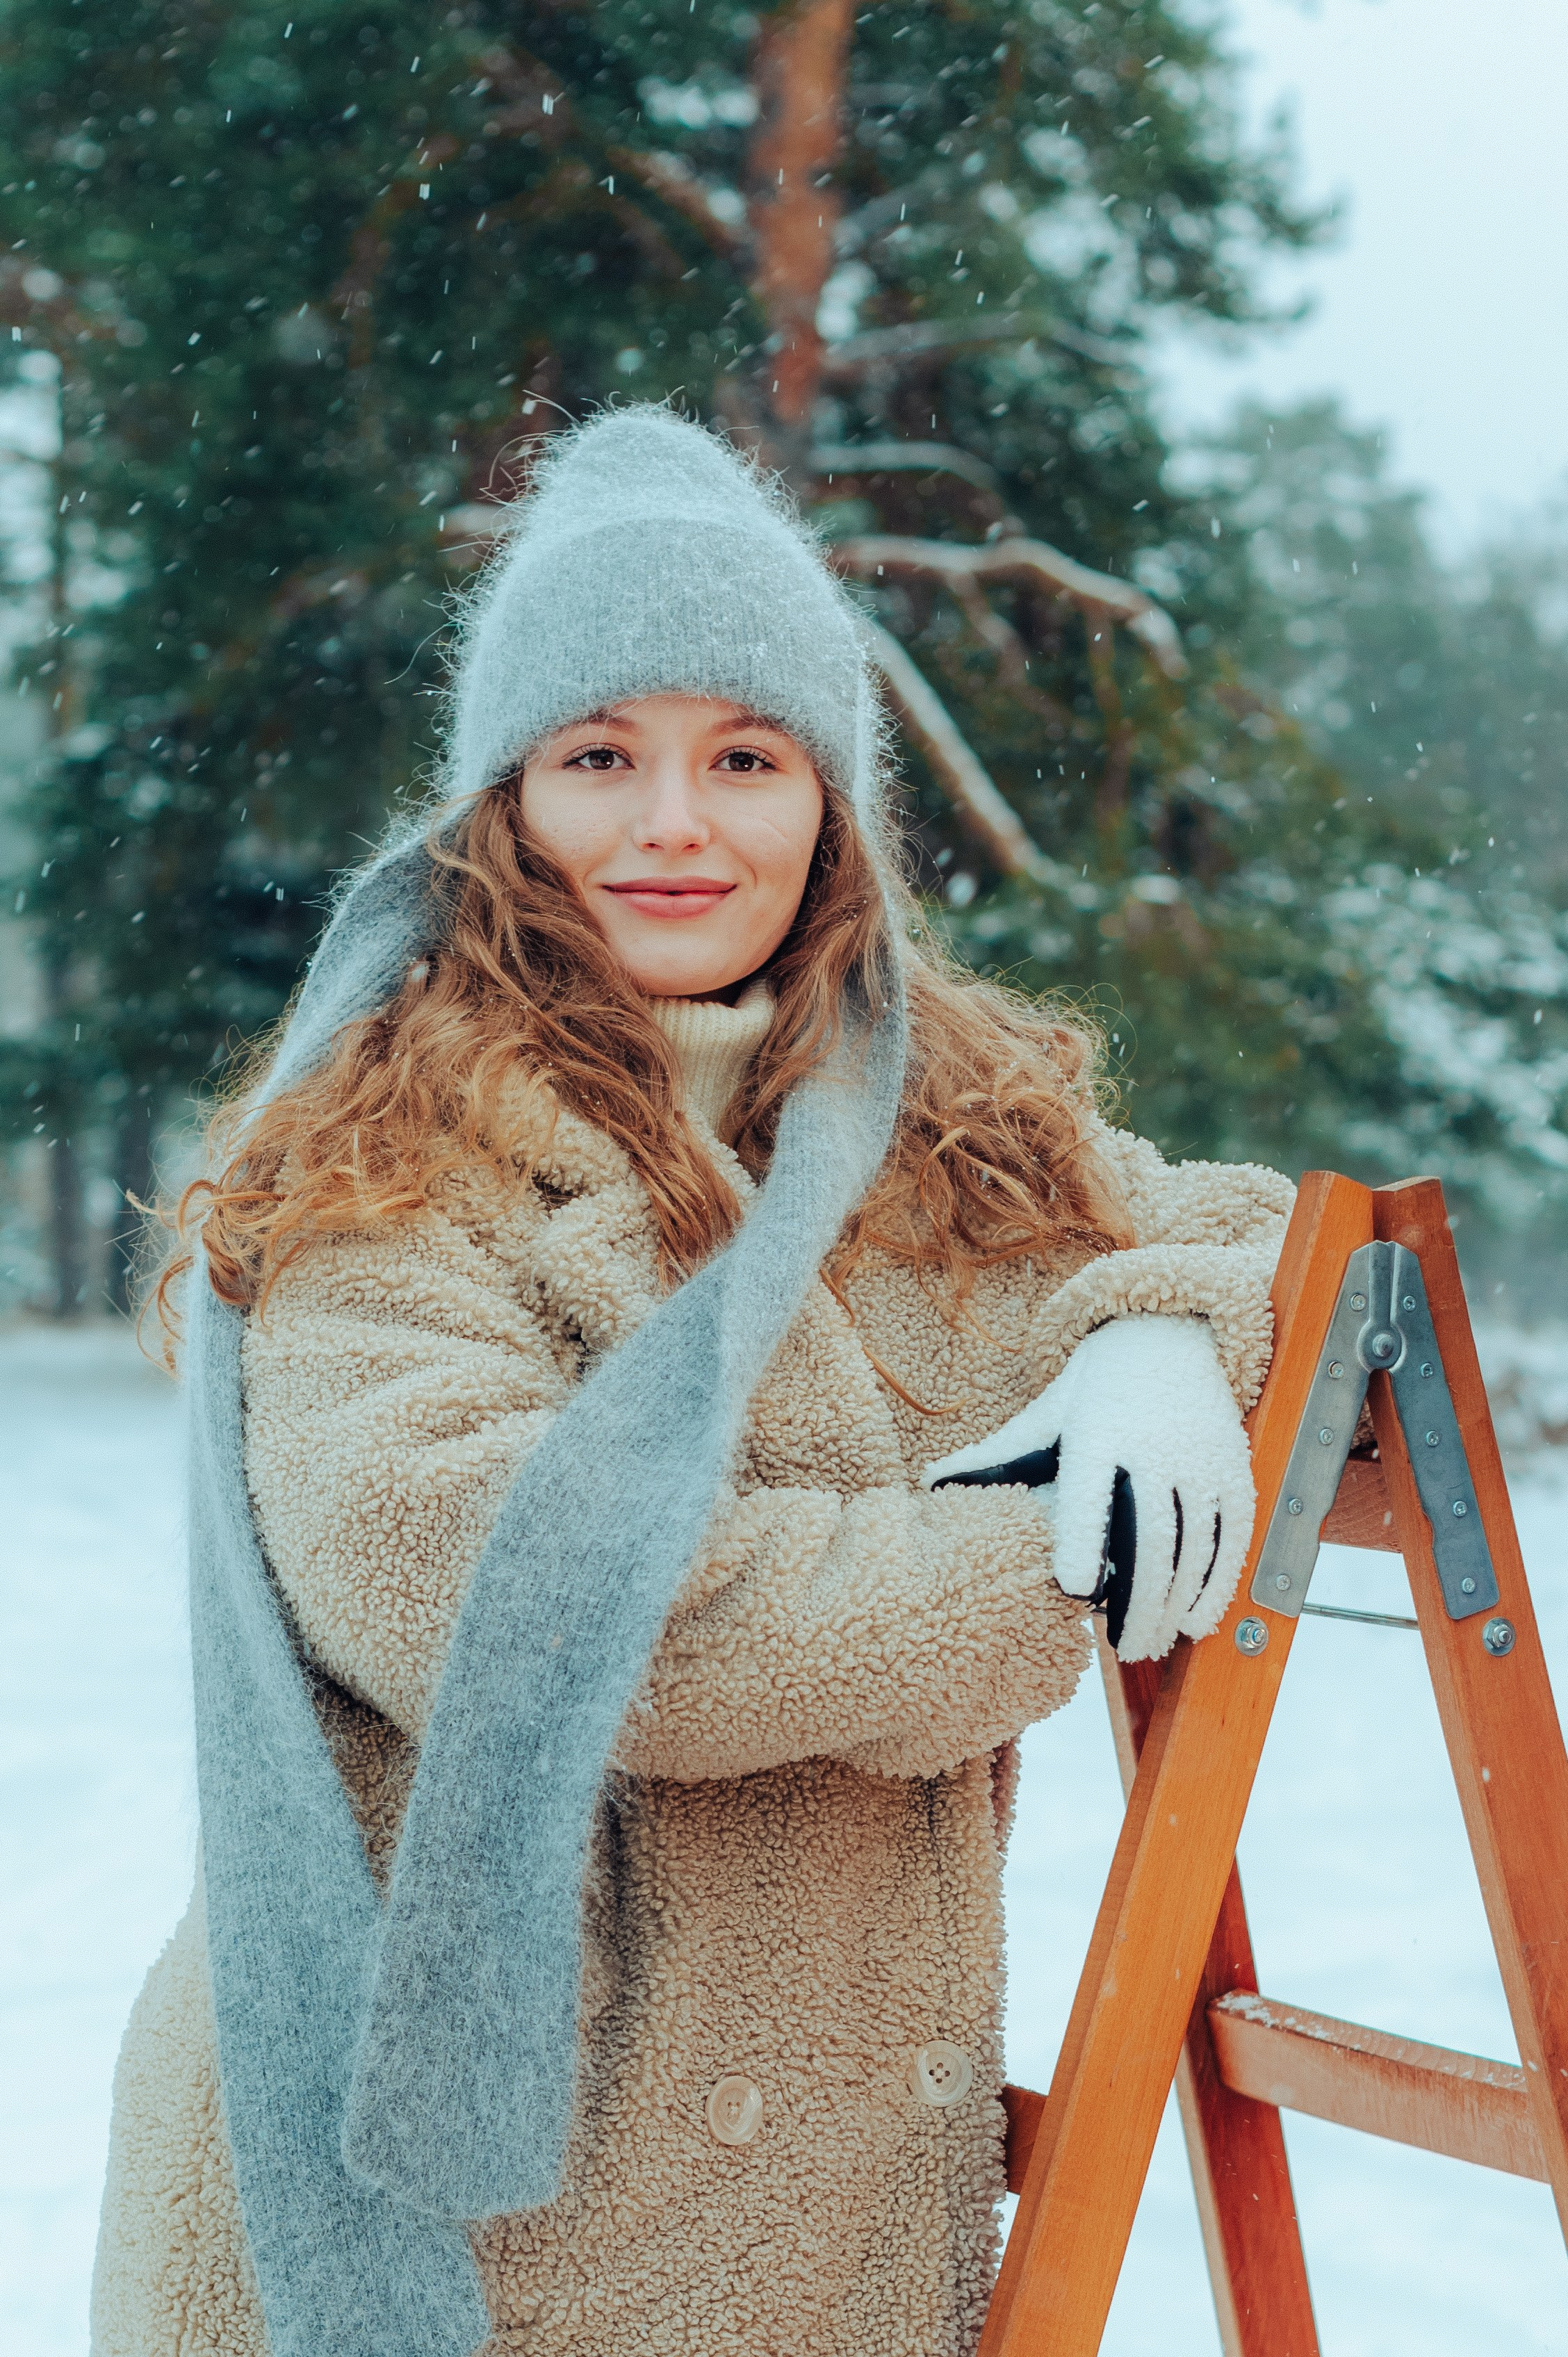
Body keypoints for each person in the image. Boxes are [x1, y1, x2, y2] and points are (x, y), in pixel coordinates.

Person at [90, 408, 1291, 2357]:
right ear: (501, 806)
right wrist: (1034, 1564)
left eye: (743, 755)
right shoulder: (386, 1155)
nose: (675, 824)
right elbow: (504, 1593)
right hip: (463, 2214)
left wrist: (1157, 1336)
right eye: (599, 758)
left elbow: (1272, 1237)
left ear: (829, 799)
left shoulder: (951, 1123)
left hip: (802, 2218)